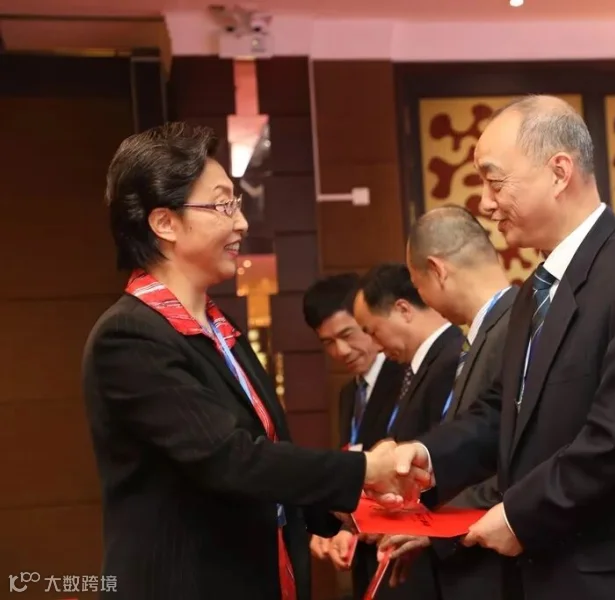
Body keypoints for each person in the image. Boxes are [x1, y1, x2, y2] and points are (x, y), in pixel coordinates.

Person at [81, 123, 410, 600]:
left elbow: (263, 456)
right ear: (165, 223)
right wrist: (363, 470)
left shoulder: (219, 327)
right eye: (222, 206)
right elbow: (229, 459)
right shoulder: (129, 336)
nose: (241, 223)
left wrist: (340, 507)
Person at [383, 96, 615, 600]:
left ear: (558, 172)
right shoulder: (534, 290)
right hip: (531, 576)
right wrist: (427, 455)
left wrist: (521, 515)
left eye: (494, 181)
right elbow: (500, 413)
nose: (485, 203)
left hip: (599, 577)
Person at [379, 205, 515, 600]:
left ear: (436, 270)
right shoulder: (486, 330)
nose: (423, 299)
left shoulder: (517, 327)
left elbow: (515, 457)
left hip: (496, 569)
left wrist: (438, 525)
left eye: (418, 285)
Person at [353, 262, 465, 600]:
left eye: (373, 331)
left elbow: (457, 456)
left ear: (403, 310)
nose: (375, 345)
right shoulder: (417, 366)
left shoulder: (451, 358)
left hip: (443, 555)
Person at [301, 273, 407, 600]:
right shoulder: (349, 394)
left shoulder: (407, 375)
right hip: (365, 554)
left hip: (405, 551)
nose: (341, 351)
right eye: (328, 343)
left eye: (347, 334)